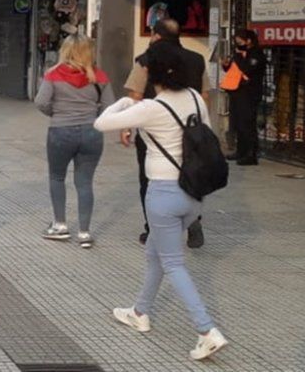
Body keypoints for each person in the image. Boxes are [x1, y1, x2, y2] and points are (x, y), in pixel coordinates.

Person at [95, 41, 229, 361]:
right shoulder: (196, 98)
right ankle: (140, 312)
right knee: (156, 253)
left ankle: (206, 330)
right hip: (193, 195)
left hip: (163, 195)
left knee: (172, 263)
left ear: (153, 73)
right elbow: (205, 137)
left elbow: (101, 123)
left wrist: (125, 103)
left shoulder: (151, 108)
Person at [122, 18, 210, 247]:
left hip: (155, 134)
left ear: (156, 35)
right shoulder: (197, 59)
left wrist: (126, 127)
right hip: (190, 132)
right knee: (189, 173)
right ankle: (192, 219)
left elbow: (135, 95)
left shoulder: (146, 59)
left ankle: (153, 229)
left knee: (150, 179)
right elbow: (204, 97)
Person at [34, 34, 114, 248]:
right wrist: (93, 118)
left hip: (60, 131)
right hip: (91, 133)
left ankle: (60, 226)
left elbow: (41, 102)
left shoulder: (53, 74)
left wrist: (57, 113)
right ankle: (84, 233)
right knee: (85, 182)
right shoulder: (100, 76)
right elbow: (109, 107)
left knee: (57, 177)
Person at [220, 29, 265, 166]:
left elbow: (247, 69)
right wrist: (226, 64)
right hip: (237, 92)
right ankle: (240, 151)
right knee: (238, 124)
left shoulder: (256, 55)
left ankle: (250, 154)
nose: (237, 44)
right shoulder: (239, 54)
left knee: (247, 124)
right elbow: (232, 69)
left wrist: (239, 57)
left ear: (249, 41)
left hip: (250, 94)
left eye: (240, 41)